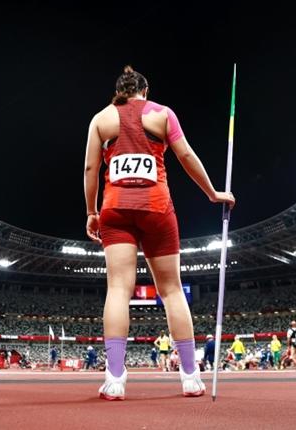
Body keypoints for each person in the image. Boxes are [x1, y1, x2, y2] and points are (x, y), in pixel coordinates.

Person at [84, 66, 235, 400]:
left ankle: (115, 380)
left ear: (118, 91)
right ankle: (190, 377)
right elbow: (186, 155)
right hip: (157, 208)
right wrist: (213, 194)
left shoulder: (101, 119)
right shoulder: (162, 114)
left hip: (115, 208)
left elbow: (91, 168)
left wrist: (92, 212)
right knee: (171, 291)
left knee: (118, 289)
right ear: (145, 90)